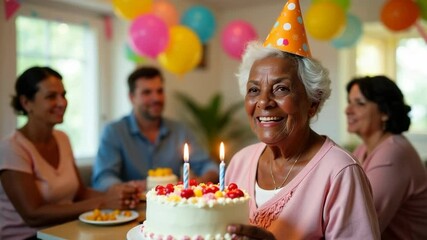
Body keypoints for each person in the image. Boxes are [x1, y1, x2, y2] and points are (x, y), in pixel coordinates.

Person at [223, 1, 379, 238]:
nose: (264, 102)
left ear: (312, 103)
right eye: (254, 90)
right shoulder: (239, 162)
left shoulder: (340, 172)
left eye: (281, 89)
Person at [0, 66, 140, 240]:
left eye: (63, 95)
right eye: (51, 96)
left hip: (65, 230)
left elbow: (80, 193)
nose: (62, 102)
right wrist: (104, 202)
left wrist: (119, 195)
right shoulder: (11, 148)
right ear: (26, 103)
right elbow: (33, 215)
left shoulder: (62, 138)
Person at [92, 66, 218, 192]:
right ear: (132, 97)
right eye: (147, 92)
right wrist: (127, 188)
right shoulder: (114, 132)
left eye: (160, 91)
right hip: (131, 208)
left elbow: (209, 166)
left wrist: (199, 181)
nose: (156, 98)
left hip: (171, 206)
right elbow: (103, 177)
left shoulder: (180, 130)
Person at [345, 75, 427, 239]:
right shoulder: (363, 149)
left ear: (385, 113)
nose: (348, 110)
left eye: (360, 103)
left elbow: (362, 226)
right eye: (349, 102)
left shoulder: (393, 154)